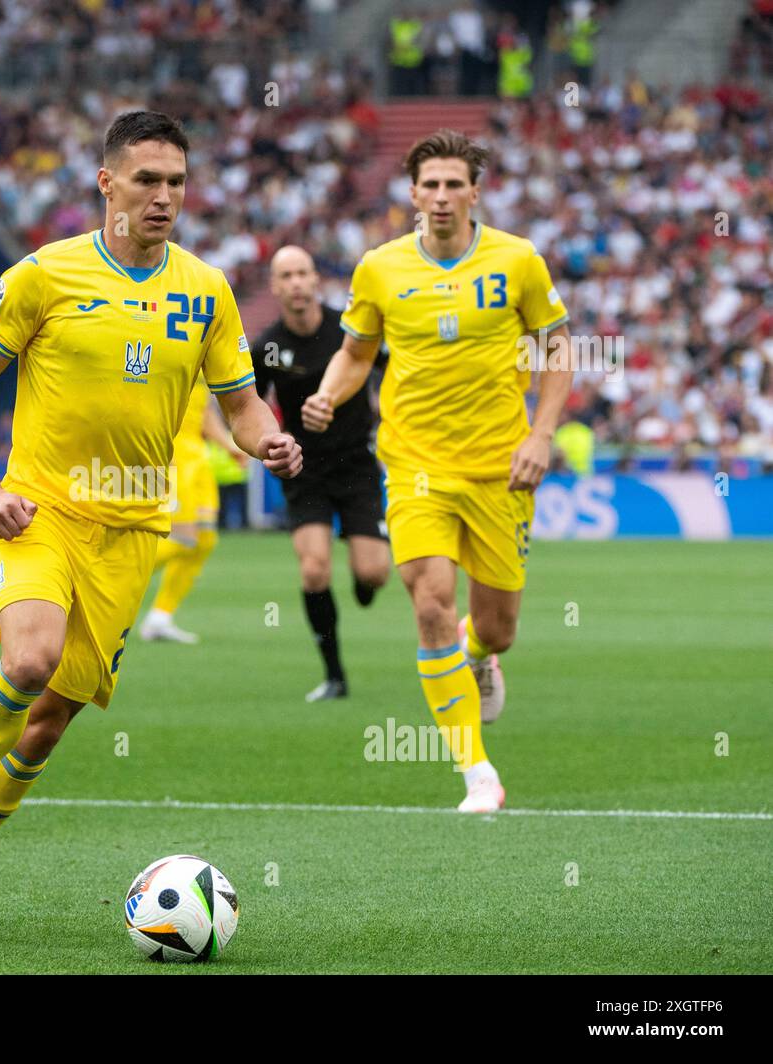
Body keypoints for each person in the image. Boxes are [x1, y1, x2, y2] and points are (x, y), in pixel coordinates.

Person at [0, 110, 302, 933]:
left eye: (177, 181)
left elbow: (242, 407)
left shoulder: (207, 291)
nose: (164, 196)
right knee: (29, 661)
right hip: (41, 511)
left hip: (134, 532)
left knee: (43, 730)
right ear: (106, 183)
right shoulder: (43, 275)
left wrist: (270, 444)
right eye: (147, 179)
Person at [302, 129, 573, 813]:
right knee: (428, 600)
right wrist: (328, 394)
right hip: (414, 462)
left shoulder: (518, 261)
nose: (443, 196)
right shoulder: (381, 269)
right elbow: (357, 352)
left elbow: (558, 348)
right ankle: (476, 771)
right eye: (432, 185)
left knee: (499, 624)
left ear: (475, 192)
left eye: (456, 184)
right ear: (413, 193)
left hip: (499, 468)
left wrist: (542, 435)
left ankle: (479, 652)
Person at [252, 246, 391, 701]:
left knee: (373, 574)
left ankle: (363, 579)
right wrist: (271, 443)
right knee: (314, 570)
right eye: (285, 275)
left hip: (356, 463)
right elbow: (249, 403)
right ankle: (334, 676)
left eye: (302, 273)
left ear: (315, 280)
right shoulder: (268, 347)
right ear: (275, 287)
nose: (295, 282)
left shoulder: (347, 331)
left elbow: (395, 372)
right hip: (304, 469)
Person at [137, 375, 246, 643]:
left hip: (197, 455)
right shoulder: (163, 341)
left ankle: (160, 618)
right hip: (170, 454)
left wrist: (226, 444)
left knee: (204, 540)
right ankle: (107, 580)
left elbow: (204, 409)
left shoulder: (207, 343)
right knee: (182, 539)